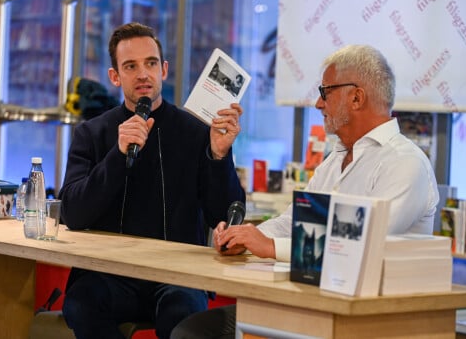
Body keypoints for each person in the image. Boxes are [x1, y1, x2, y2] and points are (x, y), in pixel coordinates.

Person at [170, 44, 439, 339]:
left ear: (357, 97)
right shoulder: (335, 160)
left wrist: (269, 247)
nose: (318, 104)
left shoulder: (404, 163)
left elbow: (358, 249)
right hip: (310, 304)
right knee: (192, 332)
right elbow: (291, 222)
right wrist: (243, 238)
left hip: (365, 321)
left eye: (325, 92)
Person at [59, 22, 246, 339]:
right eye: (130, 66)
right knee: (80, 304)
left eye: (151, 63)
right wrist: (117, 157)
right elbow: (73, 213)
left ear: (164, 70)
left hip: (177, 275)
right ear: (115, 76)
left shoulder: (197, 131)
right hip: (110, 273)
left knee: (182, 313)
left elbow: (224, 213)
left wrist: (218, 155)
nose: (143, 74)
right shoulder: (92, 133)